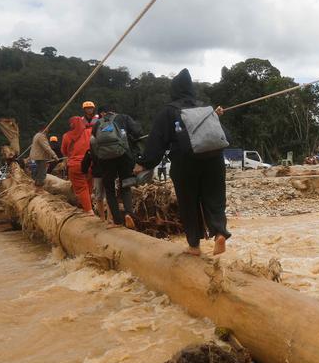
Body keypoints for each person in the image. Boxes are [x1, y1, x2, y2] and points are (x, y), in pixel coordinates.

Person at [137, 69, 232, 256]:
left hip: (185, 162)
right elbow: (226, 136)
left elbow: (157, 141)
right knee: (215, 199)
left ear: (174, 90)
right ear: (191, 89)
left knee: (189, 203)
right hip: (214, 160)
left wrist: (144, 163)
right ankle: (220, 232)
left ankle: (194, 246)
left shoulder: (169, 111)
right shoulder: (205, 108)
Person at [90, 106, 143, 228]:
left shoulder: (98, 123)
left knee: (109, 190)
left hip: (105, 159)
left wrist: (98, 161)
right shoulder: (123, 117)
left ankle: (117, 221)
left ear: (103, 113)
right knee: (125, 185)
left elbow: (93, 142)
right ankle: (128, 213)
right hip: (124, 156)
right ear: (113, 111)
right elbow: (137, 132)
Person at [61, 116, 94, 212]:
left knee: (81, 188)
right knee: (88, 186)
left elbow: (64, 151)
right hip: (89, 164)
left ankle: (89, 211)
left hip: (75, 166)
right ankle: (87, 207)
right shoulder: (89, 132)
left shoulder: (66, 136)